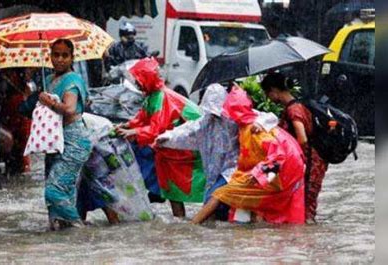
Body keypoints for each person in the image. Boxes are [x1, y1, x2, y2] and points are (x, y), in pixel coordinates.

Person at [156, 83, 278, 220]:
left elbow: (268, 117)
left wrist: (259, 124)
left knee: (212, 201)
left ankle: (195, 227)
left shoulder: (234, 116)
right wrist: (166, 137)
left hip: (234, 169)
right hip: (214, 171)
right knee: (218, 209)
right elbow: (188, 130)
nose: (214, 114)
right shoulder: (206, 121)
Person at [191, 88, 305, 225]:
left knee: (220, 194)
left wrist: (258, 174)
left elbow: (277, 156)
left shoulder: (254, 129)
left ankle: (192, 225)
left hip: (283, 171)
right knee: (252, 203)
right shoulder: (248, 124)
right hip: (283, 169)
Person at [116, 58, 205, 217]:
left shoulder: (162, 97)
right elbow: (142, 118)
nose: (137, 84)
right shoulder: (153, 96)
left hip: (187, 149)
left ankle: (186, 219)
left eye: (138, 80)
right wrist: (127, 126)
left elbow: (156, 128)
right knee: (172, 191)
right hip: (173, 149)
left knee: (179, 190)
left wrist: (134, 132)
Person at [37, 39, 95, 230]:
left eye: (65, 55)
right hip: (53, 141)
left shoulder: (73, 80)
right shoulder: (48, 80)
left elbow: (69, 109)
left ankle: (80, 229)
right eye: (56, 55)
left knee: (54, 191)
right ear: (50, 56)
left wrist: (49, 102)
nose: (60, 59)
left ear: (72, 58)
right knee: (58, 201)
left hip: (74, 141)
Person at [261, 72, 328, 223]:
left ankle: (305, 240)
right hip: (310, 162)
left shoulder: (294, 110)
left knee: (306, 206)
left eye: (268, 94)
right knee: (303, 204)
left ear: (274, 91)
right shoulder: (295, 106)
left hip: (310, 164)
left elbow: (302, 138)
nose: (268, 98)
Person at [0, 68, 33, 174]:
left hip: (13, 106)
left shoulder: (7, 74)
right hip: (16, 105)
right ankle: (19, 166)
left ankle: (16, 166)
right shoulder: (13, 75)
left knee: (18, 141)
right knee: (21, 141)